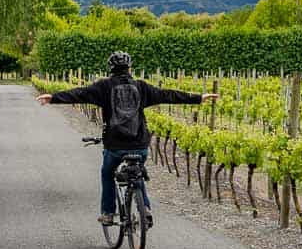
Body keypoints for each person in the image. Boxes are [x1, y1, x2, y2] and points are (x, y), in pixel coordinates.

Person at [37, 51, 217, 225]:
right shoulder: (141, 87)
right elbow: (167, 95)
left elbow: (79, 93)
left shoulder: (103, 87)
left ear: (111, 68)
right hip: (140, 144)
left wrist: (53, 97)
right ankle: (145, 208)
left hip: (114, 145)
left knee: (107, 174)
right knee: (137, 171)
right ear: (130, 68)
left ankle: (108, 213)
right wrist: (198, 98)